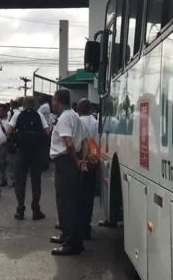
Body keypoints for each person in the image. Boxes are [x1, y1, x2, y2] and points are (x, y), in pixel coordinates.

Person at [49, 89, 89, 256]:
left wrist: (76, 160)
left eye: (53, 99)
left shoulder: (65, 118)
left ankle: (71, 243)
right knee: (72, 201)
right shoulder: (74, 116)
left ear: (58, 100)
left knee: (66, 203)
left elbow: (69, 143)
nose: (52, 102)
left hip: (66, 162)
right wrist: (82, 160)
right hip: (72, 162)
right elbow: (85, 141)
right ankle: (69, 236)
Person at [7, 96, 50, 221]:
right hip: (36, 153)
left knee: (20, 181)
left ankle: (20, 210)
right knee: (36, 181)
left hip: (21, 152)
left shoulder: (17, 115)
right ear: (34, 104)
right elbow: (47, 132)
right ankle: (36, 210)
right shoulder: (39, 115)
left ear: (23, 104)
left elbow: (9, 131)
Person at [77, 98, 99, 239]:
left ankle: (77, 225)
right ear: (90, 109)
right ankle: (87, 225)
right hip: (93, 160)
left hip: (80, 160)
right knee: (88, 195)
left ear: (78, 109)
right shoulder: (95, 122)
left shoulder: (77, 121)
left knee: (76, 194)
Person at [0, 103, 15, 187]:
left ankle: (14, 179)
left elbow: (13, 132)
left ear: (5, 111)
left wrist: (7, 140)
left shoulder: (11, 120)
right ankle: (3, 179)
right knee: (0, 163)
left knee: (11, 163)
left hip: (8, 145)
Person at [38, 94, 52, 171]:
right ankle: (45, 164)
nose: (39, 99)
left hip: (43, 129)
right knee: (45, 148)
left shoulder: (44, 107)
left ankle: (43, 164)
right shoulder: (47, 105)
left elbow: (37, 114)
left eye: (41, 98)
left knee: (43, 148)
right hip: (46, 128)